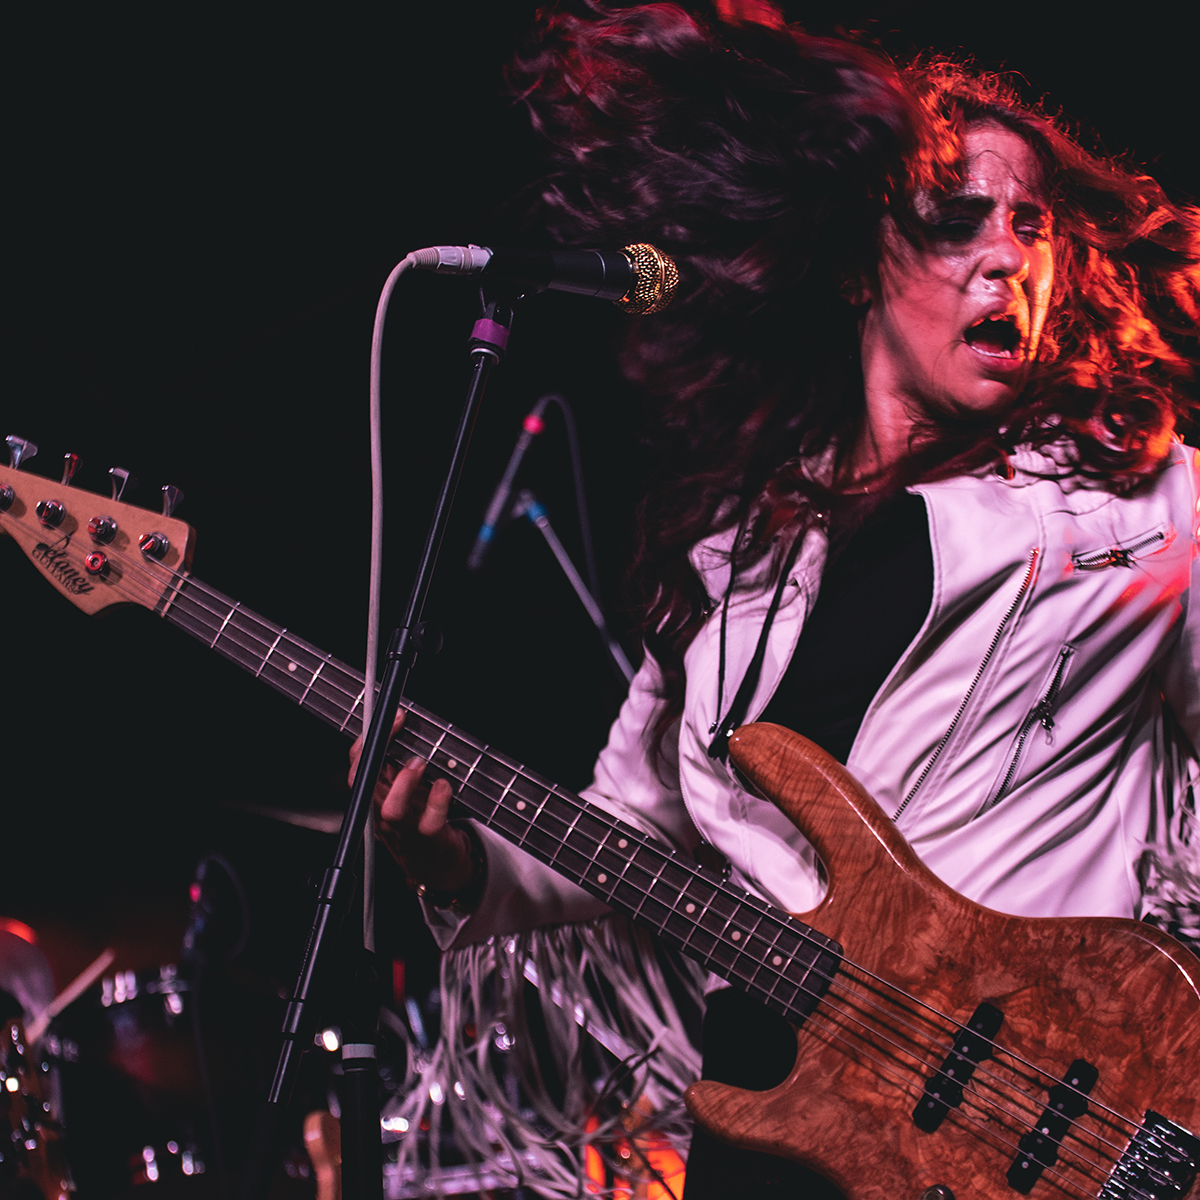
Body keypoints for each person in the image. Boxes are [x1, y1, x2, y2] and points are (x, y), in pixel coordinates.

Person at [351, 3, 1200, 1194]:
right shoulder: (734, 560)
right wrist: (459, 865)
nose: (1010, 255)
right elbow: (623, 835)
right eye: (958, 222)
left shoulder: (1139, 508)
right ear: (862, 261)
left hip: (1034, 1132)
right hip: (775, 1133)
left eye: (1032, 224)